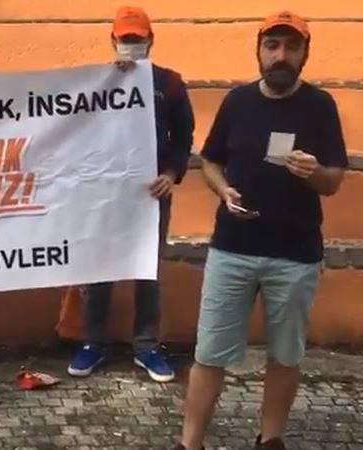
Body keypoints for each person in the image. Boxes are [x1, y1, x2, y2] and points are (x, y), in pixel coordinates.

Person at [171, 11, 347, 450]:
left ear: (305, 54)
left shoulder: (321, 105)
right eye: (272, 46)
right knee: (209, 354)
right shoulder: (237, 102)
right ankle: (190, 444)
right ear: (259, 51)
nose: (281, 55)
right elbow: (210, 160)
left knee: (285, 355)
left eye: (292, 46)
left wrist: (313, 173)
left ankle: (271, 440)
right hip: (232, 249)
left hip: (296, 254)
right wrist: (223, 189)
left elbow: (333, 180)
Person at [67, 6, 195, 382]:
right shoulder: (98, 81)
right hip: (104, 193)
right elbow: (76, 130)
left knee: (148, 270)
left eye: (137, 38)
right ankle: (93, 342)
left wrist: (171, 174)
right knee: (99, 267)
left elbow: (183, 136)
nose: (131, 44)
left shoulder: (170, 83)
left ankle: (146, 346)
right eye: (125, 39)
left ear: (151, 40)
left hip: (152, 193)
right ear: (113, 40)